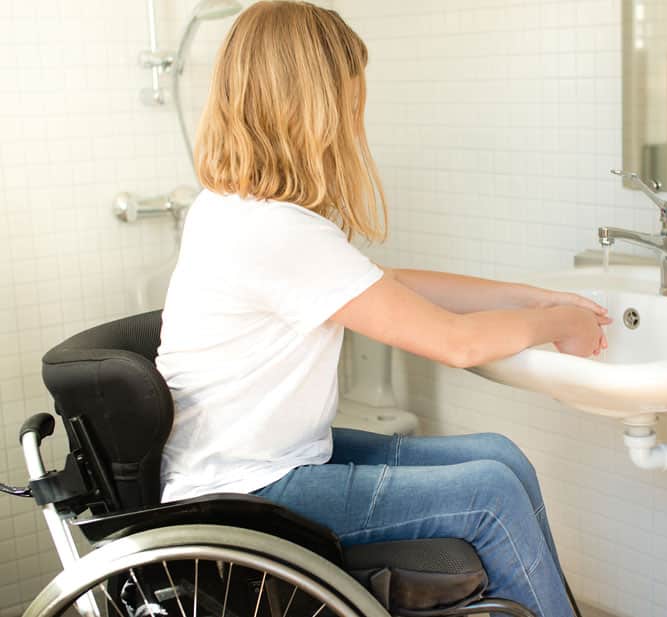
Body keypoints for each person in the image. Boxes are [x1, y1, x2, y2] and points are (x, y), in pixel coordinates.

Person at [155, 3, 611, 616]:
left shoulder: (236, 207)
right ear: (314, 106)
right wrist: (563, 323)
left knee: (502, 455)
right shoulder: (275, 231)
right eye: (349, 100)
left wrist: (532, 297)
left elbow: (387, 284)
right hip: (247, 493)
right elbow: (458, 343)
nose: (355, 118)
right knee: (491, 492)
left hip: (259, 465)